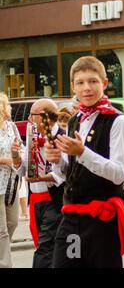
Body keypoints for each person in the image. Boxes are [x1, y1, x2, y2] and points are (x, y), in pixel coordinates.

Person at [44, 56, 124, 268]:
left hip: (101, 220)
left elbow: (119, 174)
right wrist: (57, 160)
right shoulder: (76, 119)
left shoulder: (117, 120)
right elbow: (71, 172)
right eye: (81, 83)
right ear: (73, 87)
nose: (87, 88)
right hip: (72, 218)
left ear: (104, 83)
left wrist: (83, 152)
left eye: (93, 81)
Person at [11, 98, 65, 268]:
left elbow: (65, 174)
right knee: (46, 246)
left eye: (32, 115)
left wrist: (43, 178)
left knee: (45, 248)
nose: (29, 119)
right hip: (35, 200)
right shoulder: (33, 136)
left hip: (55, 201)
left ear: (45, 117)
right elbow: (22, 170)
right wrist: (15, 156)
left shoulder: (63, 137)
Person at [0, 93, 20, 268]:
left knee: (13, 221)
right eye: (8, 105)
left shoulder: (12, 126)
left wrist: (17, 153)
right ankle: (5, 264)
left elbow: (19, 147)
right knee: (2, 230)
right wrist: (5, 160)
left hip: (12, 182)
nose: (11, 108)